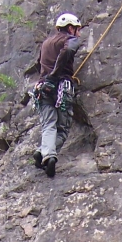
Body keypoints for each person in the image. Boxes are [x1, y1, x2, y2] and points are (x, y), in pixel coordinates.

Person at [32, 13, 82, 178]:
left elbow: (39, 63)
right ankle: (50, 156)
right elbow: (68, 50)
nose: (79, 34)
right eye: (77, 29)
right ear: (70, 28)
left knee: (48, 125)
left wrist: (48, 77)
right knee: (62, 128)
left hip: (43, 87)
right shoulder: (70, 39)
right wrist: (55, 74)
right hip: (61, 86)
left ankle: (43, 152)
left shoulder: (46, 43)